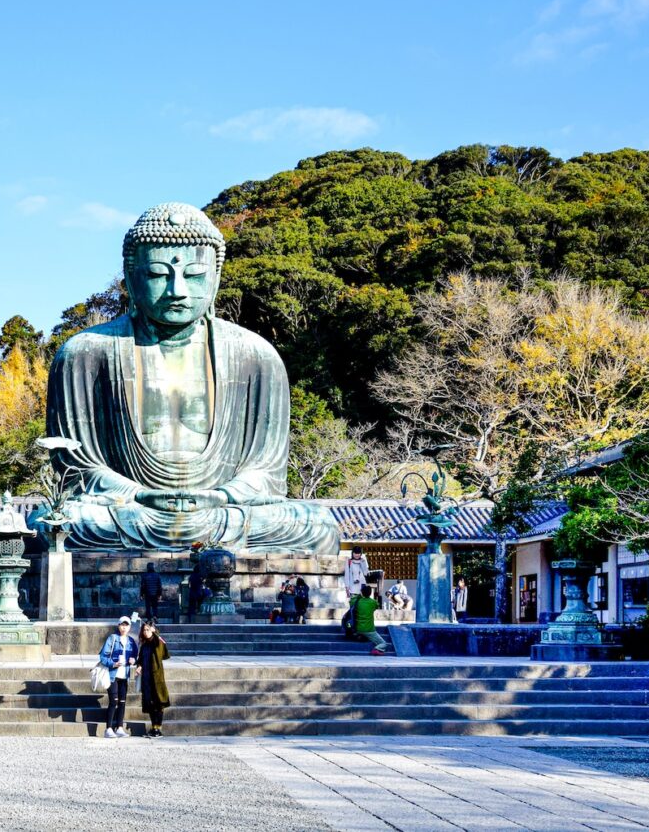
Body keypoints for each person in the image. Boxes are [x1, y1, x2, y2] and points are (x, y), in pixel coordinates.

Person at [35, 203, 340, 554]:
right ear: (131, 278)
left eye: (194, 274)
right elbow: (76, 467)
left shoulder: (257, 356)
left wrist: (221, 495)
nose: (176, 290)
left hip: (223, 511)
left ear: (216, 277)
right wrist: (139, 494)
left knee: (316, 526)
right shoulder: (86, 353)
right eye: (158, 275)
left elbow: (266, 472)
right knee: (58, 523)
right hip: (130, 512)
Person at [99, 616, 139, 738]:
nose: (124, 627)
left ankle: (120, 727)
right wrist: (113, 663)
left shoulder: (131, 641)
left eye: (126, 625)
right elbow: (103, 657)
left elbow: (135, 657)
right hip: (112, 675)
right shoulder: (112, 638)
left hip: (124, 675)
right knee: (113, 701)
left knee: (122, 702)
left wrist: (134, 661)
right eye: (122, 625)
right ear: (118, 626)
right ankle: (109, 728)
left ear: (129, 627)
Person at [136, 620, 171, 738]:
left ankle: (158, 728)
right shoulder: (144, 645)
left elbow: (164, 653)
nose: (145, 632)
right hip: (146, 678)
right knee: (150, 703)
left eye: (147, 630)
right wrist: (139, 667)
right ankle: (153, 727)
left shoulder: (157, 642)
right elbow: (140, 659)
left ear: (152, 630)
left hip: (157, 678)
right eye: (144, 630)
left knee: (158, 703)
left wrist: (155, 633)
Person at [353, 586, 388, 655]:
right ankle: (377, 649)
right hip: (369, 629)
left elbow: (351, 601)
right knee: (383, 643)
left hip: (357, 628)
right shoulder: (373, 602)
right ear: (370, 593)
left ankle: (361, 636)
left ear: (361, 592)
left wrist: (359, 596)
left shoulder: (357, 601)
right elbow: (377, 606)